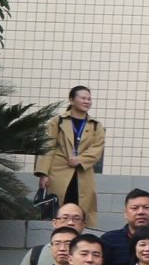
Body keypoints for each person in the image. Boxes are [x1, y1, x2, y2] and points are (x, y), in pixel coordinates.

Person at [36, 85, 104, 219]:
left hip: (83, 173)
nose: (87, 101)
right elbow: (47, 146)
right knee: (57, 209)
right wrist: (43, 174)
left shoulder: (96, 125)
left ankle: (77, 238)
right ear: (72, 100)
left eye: (89, 99)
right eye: (83, 98)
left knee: (80, 210)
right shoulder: (58, 121)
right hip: (58, 171)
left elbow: (97, 148)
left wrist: (81, 159)